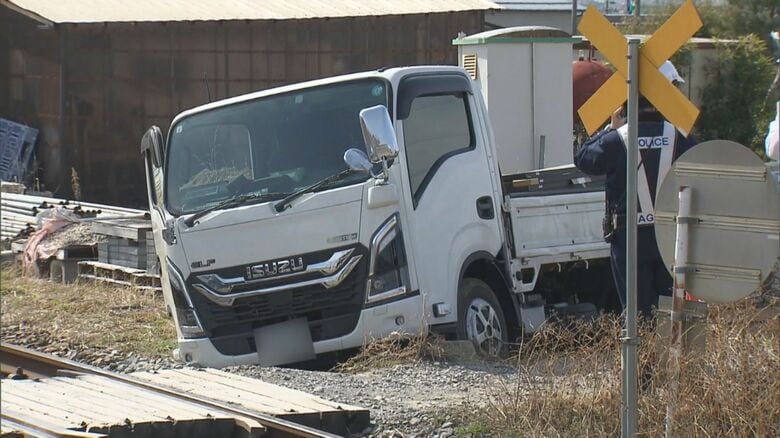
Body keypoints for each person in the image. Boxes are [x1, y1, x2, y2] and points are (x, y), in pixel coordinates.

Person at [574, 61, 697, 318]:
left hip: (628, 239)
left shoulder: (617, 139)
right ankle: (671, 358)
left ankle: (640, 359)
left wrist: (611, 127)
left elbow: (584, 159)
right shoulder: (681, 138)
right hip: (670, 239)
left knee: (637, 319)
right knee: (671, 316)